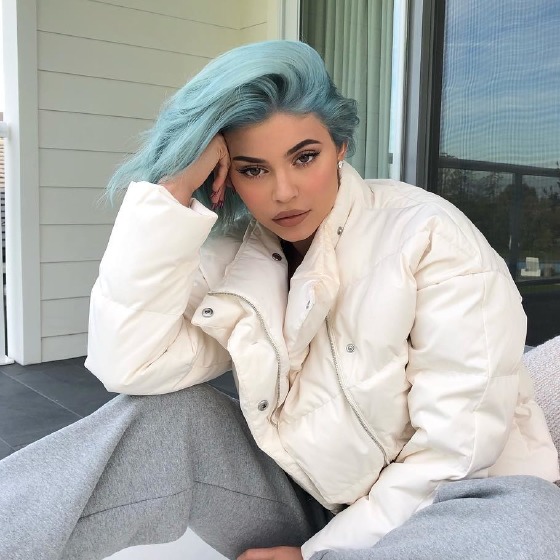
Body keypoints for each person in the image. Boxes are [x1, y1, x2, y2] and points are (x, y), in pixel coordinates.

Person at [1, 40, 559, 560]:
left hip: (457, 505)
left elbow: (456, 455)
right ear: (226, 175)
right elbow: (130, 365)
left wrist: (312, 555)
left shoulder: (428, 236)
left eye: (304, 157)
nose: (283, 192)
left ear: (340, 146)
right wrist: (171, 195)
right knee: (162, 417)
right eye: (253, 169)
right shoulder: (233, 257)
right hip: (312, 496)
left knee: (527, 525)